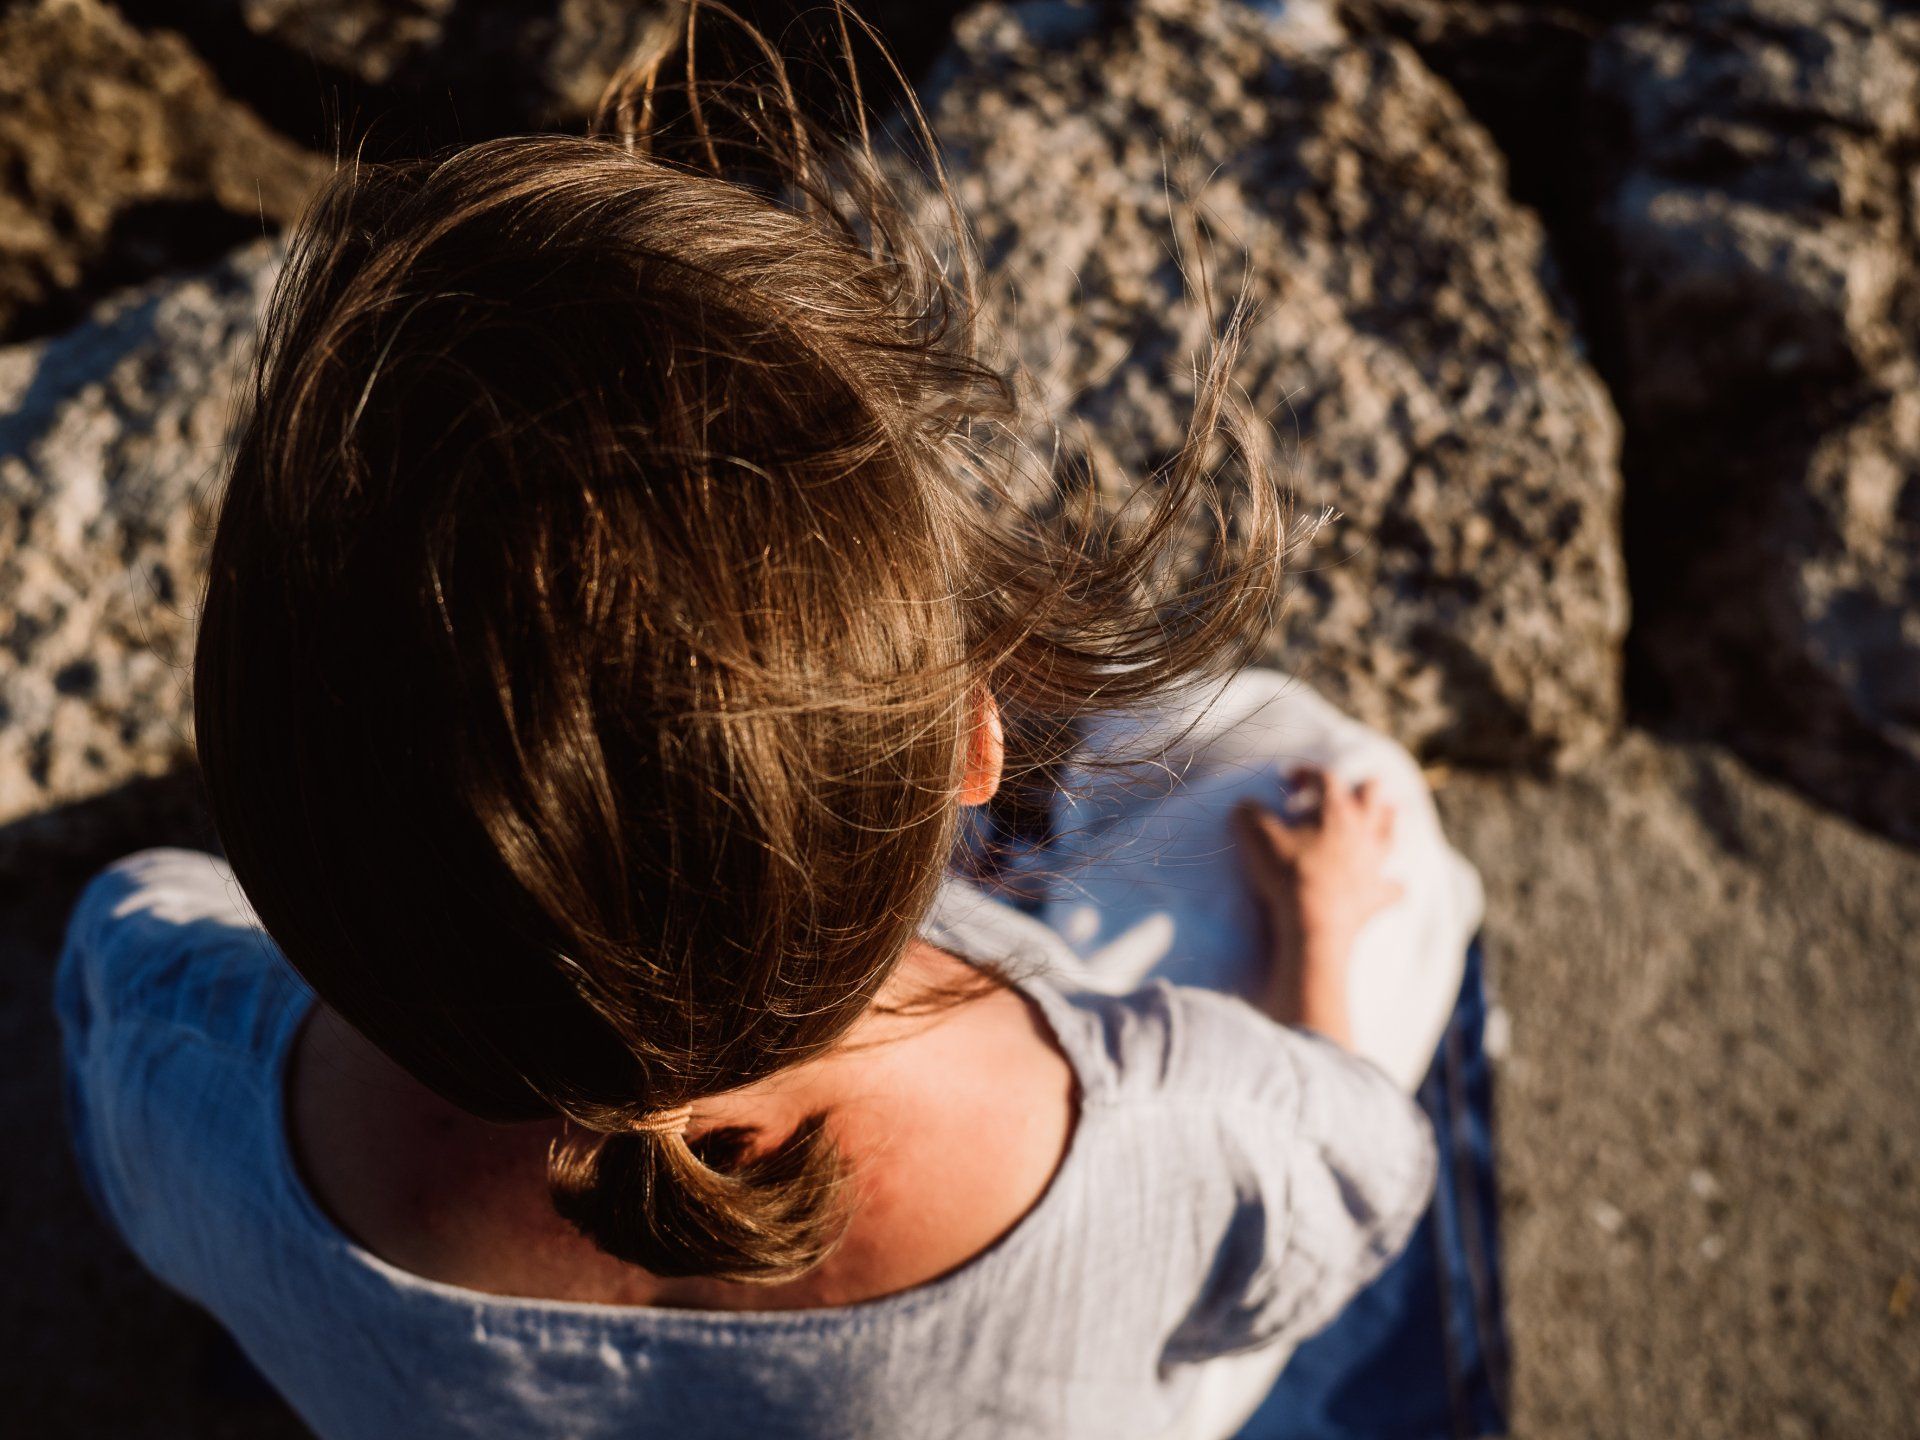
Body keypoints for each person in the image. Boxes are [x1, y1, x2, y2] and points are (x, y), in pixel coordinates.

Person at [56, 9, 1479, 1437]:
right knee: (1336, 786)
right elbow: (1353, 1188)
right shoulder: (1168, 1129)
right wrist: (1319, 946)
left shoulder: (184, 1056)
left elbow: (148, 942)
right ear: (977, 742)